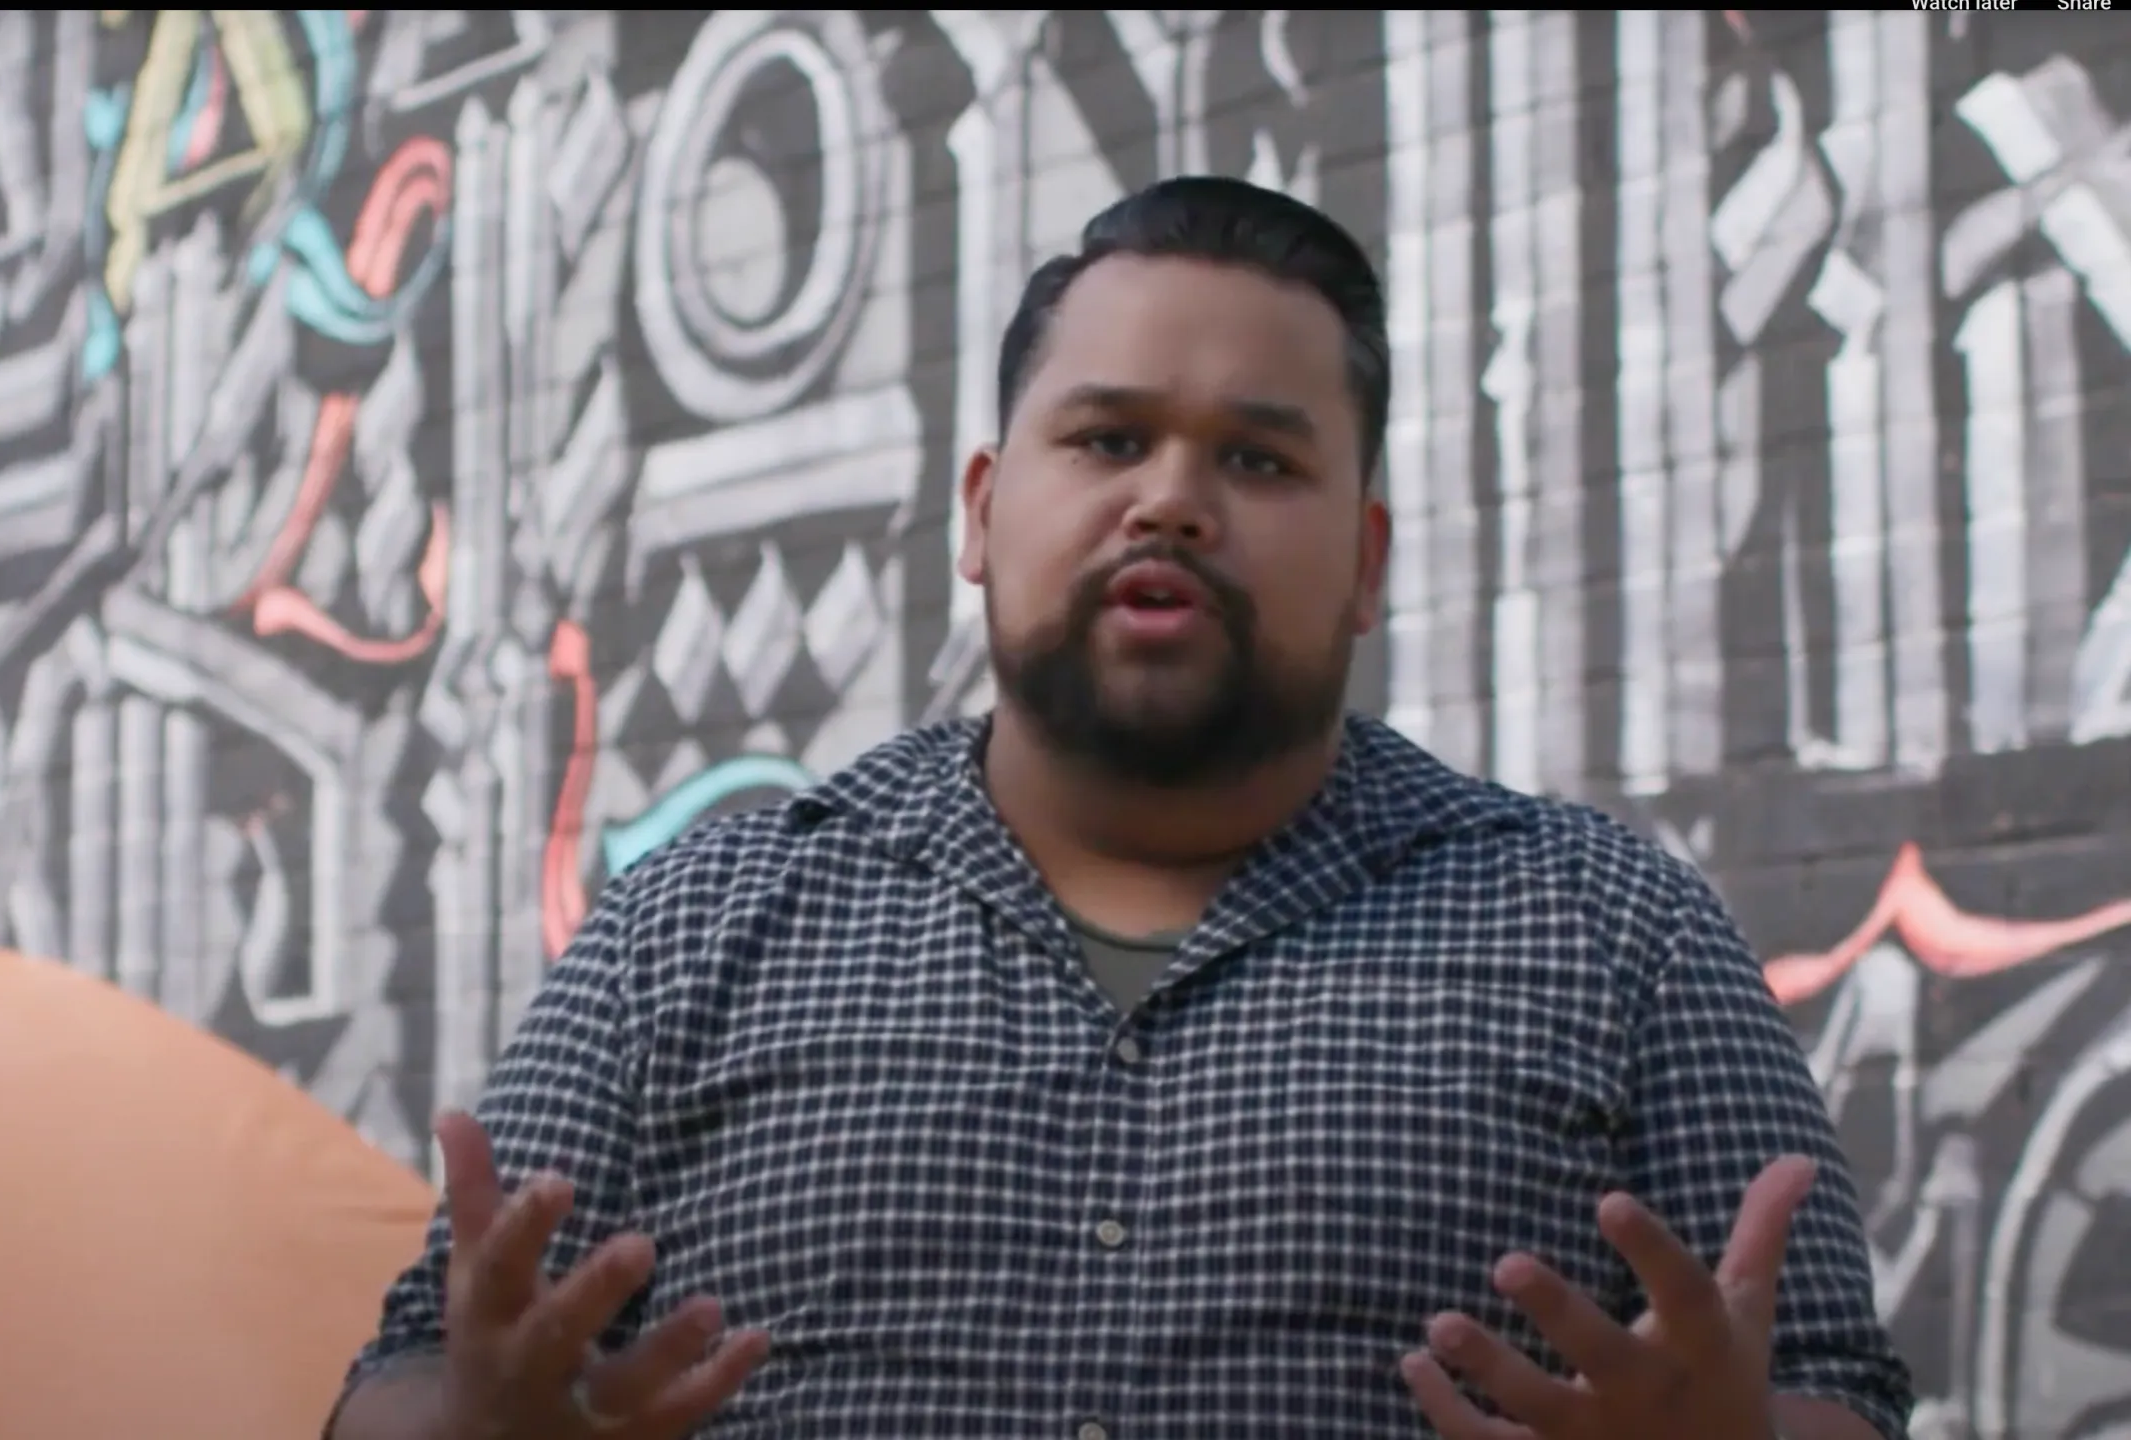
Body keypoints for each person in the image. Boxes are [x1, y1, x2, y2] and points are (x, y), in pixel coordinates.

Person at [326, 175, 1915, 1440]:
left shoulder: (1617, 931)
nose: (1171, 499)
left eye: (1259, 462)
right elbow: (402, 1376)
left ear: (1366, 563)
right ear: (981, 511)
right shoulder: (691, 927)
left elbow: (1833, 1388)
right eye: (1108, 440)